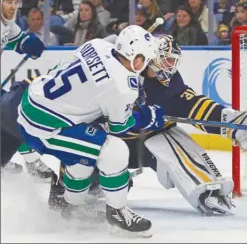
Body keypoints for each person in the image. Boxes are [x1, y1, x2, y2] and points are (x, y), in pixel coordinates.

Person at [49, 35, 247, 216]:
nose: (170, 67)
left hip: (137, 147)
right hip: (104, 145)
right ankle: (66, 189)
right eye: (166, 60)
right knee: (85, 152)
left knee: (169, 134)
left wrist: (233, 123)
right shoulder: (115, 70)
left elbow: (196, 106)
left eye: (173, 61)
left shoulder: (168, 86)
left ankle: (206, 188)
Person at [2, 25, 163, 237]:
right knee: (114, 150)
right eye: (145, 59)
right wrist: (146, 116)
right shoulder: (123, 88)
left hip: (30, 100)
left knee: (84, 154)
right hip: (46, 126)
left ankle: (71, 208)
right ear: (135, 56)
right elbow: (119, 126)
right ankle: (117, 213)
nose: (145, 66)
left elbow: (67, 71)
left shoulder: (96, 45)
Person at [1, 0, 45, 174]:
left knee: (8, 115)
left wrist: (29, 42)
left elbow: (18, 39)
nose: (12, 6)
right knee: (10, 114)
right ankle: (32, 160)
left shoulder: (7, 23)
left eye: (15, 1)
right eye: (8, 1)